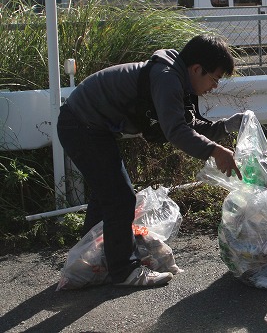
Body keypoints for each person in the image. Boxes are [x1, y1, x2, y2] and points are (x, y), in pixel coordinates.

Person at [57, 34, 244, 287]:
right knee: (120, 198)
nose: (214, 86)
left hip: (90, 127)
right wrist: (216, 151)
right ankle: (124, 271)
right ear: (197, 69)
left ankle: (90, 263)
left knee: (108, 195)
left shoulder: (176, 78)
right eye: (215, 78)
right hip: (81, 126)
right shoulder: (167, 78)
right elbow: (176, 131)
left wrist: (227, 126)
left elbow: (188, 126)